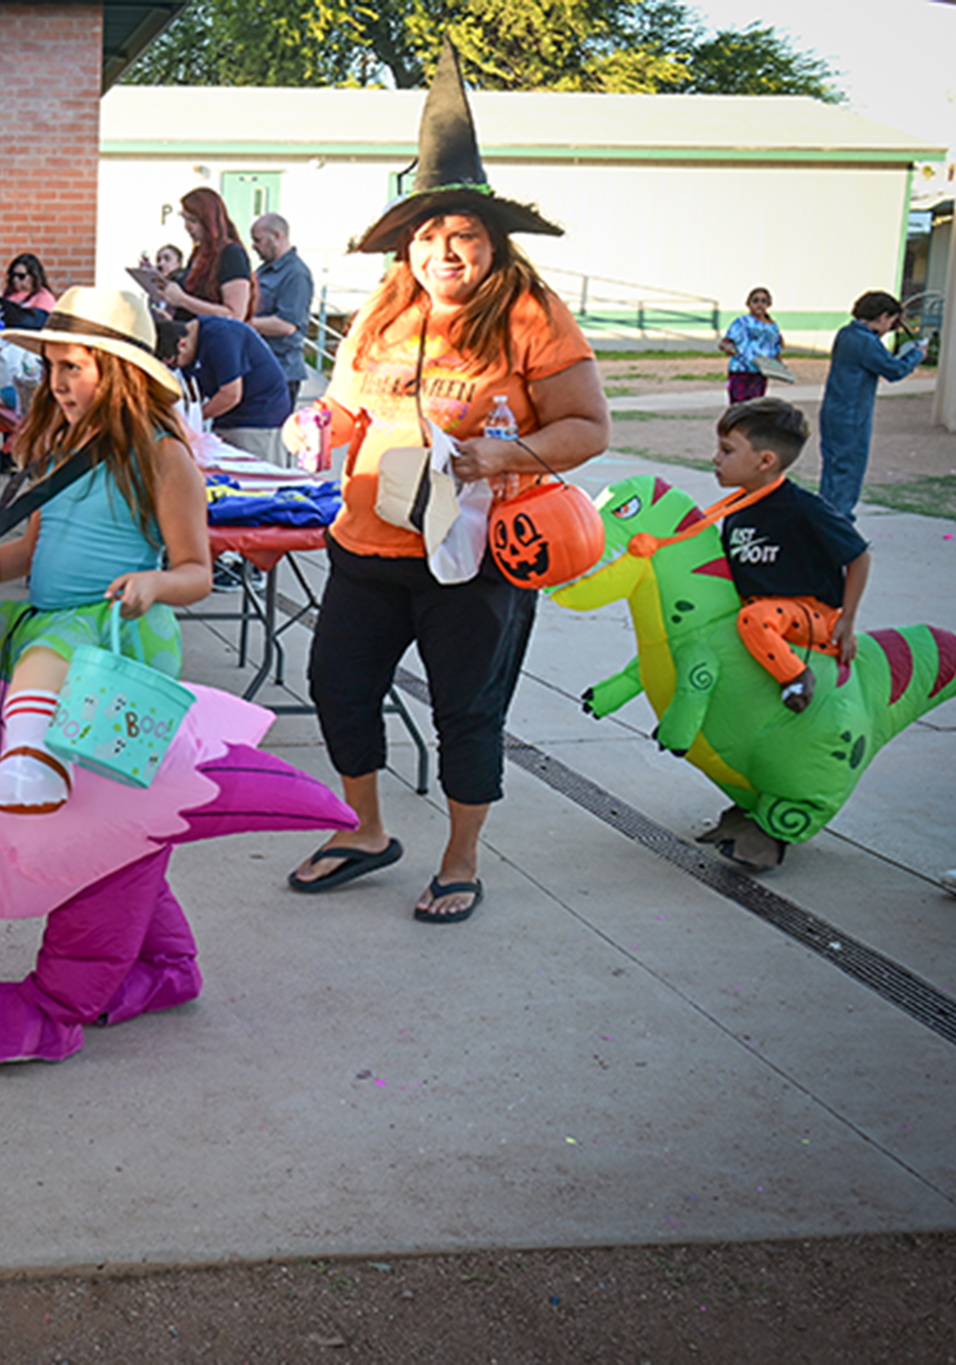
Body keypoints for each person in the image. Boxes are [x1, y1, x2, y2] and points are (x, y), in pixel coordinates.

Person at [282, 39, 610, 925]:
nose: (444, 250)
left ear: (491, 240)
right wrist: (316, 427)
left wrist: (503, 456)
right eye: (427, 235)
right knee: (338, 687)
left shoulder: (532, 313)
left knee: (467, 710)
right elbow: (344, 409)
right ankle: (365, 828)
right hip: (366, 546)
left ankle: (461, 857)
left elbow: (588, 426)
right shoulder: (382, 312)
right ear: (407, 246)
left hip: (474, 559)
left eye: (463, 233)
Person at [0, 286, 212, 815]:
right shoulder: (61, 448)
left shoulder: (162, 455)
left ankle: (33, 760)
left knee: (45, 654)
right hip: (44, 617)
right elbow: (29, 550)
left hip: (109, 631)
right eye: (52, 367)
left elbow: (196, 571)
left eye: (74, 367)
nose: (57, 383)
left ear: (118, 372)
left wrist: (154, 584)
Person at [712, 397, 870, 715]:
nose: (715, 458)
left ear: (766, 461)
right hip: (760, 613)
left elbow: (859, 556)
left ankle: (797, 679)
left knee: (754, 619)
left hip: (807, 615)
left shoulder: (804, 508)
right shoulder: (736, 511)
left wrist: (848, 620)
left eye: (727, 451)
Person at [818, 290, 926, 517]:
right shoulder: (865, 341)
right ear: (883, 316)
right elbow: (894, 371)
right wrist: (916, 355)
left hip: (833, 411)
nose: (891, 327)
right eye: (892, 322)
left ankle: (826, 521)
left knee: (833, 471)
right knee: (849, 473)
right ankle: (839, 525)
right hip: (852, 415)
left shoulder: (847, 333)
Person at [168, 314, 292, 464]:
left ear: (182, 344)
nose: (177, 368)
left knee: (253, 476)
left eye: (175, 363)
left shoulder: (220, 337)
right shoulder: (189, 351)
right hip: (227, 418)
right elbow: (192, 392)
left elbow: (231, 394)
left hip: (258, 416)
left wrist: (193, 420)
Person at [250, 212, 315, 410]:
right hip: (260, 365)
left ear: (277, 236)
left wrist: (241, 323)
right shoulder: (264, 270)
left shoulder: (295, 274)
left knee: (271, 437)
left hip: (281, 371)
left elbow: (286, 325)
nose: (253, 246)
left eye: (258, 240)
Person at [158, 188, 254, 324]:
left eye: (193, 220)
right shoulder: (199, 253)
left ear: (209, 220)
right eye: (185, 219)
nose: (188, 227)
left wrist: (183, 300)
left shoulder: (231, 254)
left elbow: (235, 315)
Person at [719, 287, 783, 406]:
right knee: (739, 405)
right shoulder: (742, 322)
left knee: (755, 406)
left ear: (769, 304)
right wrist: (729, 348)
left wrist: (777, 366)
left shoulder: (772, 327)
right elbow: (725, 342)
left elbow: (776, 351)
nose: (759, 304)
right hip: (741, 370)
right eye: (756, 301)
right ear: (748, 304)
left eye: (763, 301)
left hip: (760, 371)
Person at [0, 252, 58, 327]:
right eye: (13, 275)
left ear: (33, 276)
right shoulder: (9, 294)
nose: (15, 280)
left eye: (21, 276)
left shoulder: (44, 298)